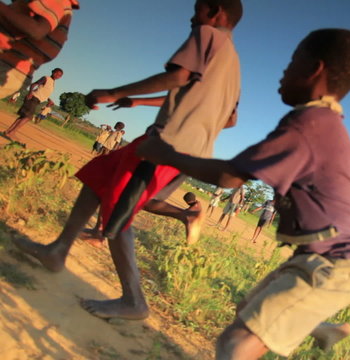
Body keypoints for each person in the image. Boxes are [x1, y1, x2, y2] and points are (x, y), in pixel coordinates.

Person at [137, 28, 350, 359]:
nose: (283, 70)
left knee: (236, 345)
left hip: (335, 265)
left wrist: (164, 153)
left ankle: (307, 319)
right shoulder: (324, 122)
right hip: (323, 258)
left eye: (292, 61)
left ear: (314, 69)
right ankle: (316, 326)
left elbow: (229, 176)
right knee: (249, 309)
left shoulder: (308, 126)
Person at [13, 0, 243, 321]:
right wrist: (136, 101)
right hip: (178, 144)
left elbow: (178, 78)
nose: (193, 17)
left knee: (119, 205)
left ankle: (134, 300)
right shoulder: (232, 63)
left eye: (198, 8)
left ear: (216, 11)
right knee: (99, 175)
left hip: (167, 142)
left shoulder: (208, 34)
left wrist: (111, 92)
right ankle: (58, 250)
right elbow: (227, 118)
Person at [0, 0, 80, 99]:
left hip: (8, 63)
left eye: (60, 75)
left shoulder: (59, 2)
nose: (58, 76)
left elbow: (37, 30)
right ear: (53, 72)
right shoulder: (64, 9)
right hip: (14, 67)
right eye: (58, 74)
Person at [3, 68, 62, 137]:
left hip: (36, 100)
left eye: (59, 75)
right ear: (52, 71)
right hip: (33, 98)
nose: (57, 75)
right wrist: (30, 93)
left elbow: (43, 92)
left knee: (23, 116)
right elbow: (33, 85)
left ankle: (8, 131)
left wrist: (49, 99)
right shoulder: (46, 78)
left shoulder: (52, 82)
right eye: (56, 73)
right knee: (28, 117)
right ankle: (12, 132)